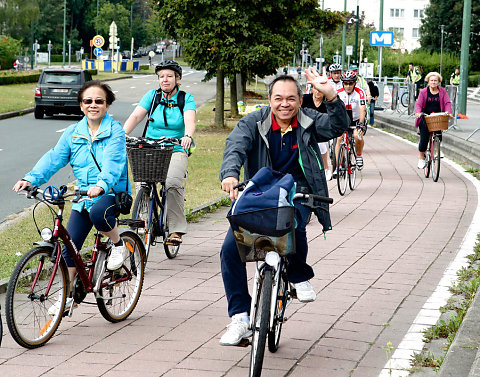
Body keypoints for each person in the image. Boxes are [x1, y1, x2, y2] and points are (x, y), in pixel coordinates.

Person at [218, 70, 349, 346]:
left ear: (300, 101)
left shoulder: (310, 121)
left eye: (291, 98)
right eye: (278, 98)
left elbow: (339, 126)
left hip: (298, 192)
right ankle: (240, 318)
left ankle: (298, 274)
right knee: (230, 249)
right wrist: (230, 174)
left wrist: (331, 95)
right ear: (269, 100)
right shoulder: (254, 122)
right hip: (260, 193)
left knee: (294, 224)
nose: (285, 104)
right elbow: (235, 147)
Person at [12, 80, 129, 315]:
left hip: (111, 191)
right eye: (88, 101)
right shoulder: (73, 132)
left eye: (99, 101)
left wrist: (102, 185)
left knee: (98, 214)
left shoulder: (115, 131)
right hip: (82, 194)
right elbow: (55, 157)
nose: (93, 105)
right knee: (68, 247)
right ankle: (68, 296)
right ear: (81, 105)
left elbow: (113, 163)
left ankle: (118, 245)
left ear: (107, 105)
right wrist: (32, 179)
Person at [124, 60, 196, 245]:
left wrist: (187, 135)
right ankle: (145, 220)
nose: (165, 80)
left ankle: (176, 230)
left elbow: (190, 119)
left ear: (177, 79)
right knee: (142, 182)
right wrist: (122, 134)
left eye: (169, 76)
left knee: (172, 183)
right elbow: (136, 115)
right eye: (161, 76)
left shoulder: (185, 98)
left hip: (175, 148)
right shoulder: (152, 96)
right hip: (150, 147)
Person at [414, 72, 452, 169]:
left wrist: (448, 112)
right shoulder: (423, 92)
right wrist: (418, 113)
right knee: (424, 139)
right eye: (431, 80)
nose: (433, 82)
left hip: (437, 117)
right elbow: (418, 104)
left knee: (438, 134)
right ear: (428, 81)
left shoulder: (442, 92)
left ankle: (436, 150)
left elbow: (447, 102)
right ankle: (422, 158)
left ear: (439, 82)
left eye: (435, 80)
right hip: (425, 117)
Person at [335, 70, 367, 172]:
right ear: (342, 83)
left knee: (357, 135)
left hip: (357, 119)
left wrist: (361, 124)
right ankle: (338, 166)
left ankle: (359, 156)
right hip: (343, 120)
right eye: (345, 83)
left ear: (355, 83)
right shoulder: (338, 93)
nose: (348, 86)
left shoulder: (360, 92)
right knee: (339, 139)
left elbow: (363, 109)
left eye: (350, 83)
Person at [301, 85, 332, 180]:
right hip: (305, 127)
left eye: (320, 91)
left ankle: (326, 168)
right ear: (312, 90)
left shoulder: (327, 102)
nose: (318, 92)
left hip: (321, 129)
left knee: (322, 146)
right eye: (316, 90)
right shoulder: (305, 99)